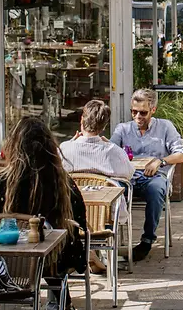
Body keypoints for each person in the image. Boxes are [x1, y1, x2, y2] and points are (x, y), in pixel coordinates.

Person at [0, 117, 88, 310]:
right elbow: (80, 222)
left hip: (6, 258)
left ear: (13, 146)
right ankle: (59, 300)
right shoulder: (62, 184)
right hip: (53, 259)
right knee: (63, 240)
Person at [111, 89, 183, 261]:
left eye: (143, 112)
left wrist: (160, 161)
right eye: (134, 111)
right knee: (110, 189)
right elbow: (110, 151)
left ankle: (147, 240)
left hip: (154, 177)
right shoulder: (122, 129)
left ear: (153, 110)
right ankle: (109, 237)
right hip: (127, 177)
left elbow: (182, 155)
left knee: (156, 189)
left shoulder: (165, 127)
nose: (138, 116)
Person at [60, 100, 134, 273]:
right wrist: (112, 146)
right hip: (103, 214)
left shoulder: (65, 149)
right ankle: (91, 253)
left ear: (81, 120)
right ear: (103, 126)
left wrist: (70, 143)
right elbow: (129, 174)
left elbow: (56, 170)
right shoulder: (112, 151)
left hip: (71, 213)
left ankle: (84, 252)